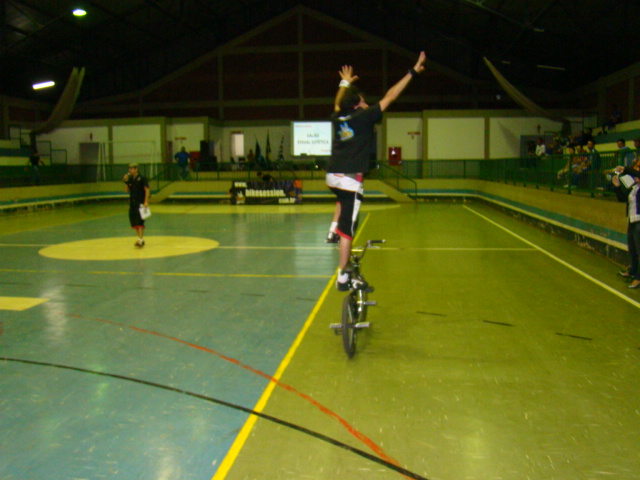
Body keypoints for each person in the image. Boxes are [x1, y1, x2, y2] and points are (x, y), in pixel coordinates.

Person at [326, 51, 427, 291]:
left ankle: (332, 230)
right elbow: (391, 95)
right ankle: (342, 276)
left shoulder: (339, 116)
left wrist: (344, 83)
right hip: (350, 179)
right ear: (357, 104)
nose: (366, 103)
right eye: (362, 101)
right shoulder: (364, 117)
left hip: (332, 176)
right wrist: (412, 72)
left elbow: (338, 102)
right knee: (348, 231)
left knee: (341, 200)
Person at [612, 165, 640, 288]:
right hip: (632, 220)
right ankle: (633, 271)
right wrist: (617, 186)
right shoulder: (634, 187)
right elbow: (622, 198)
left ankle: (639, 278)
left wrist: (625, 169)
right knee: (633, 249)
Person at [123, 163, 150, 248]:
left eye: (131, 168)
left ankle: (140, 239)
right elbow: (126, 190)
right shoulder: (131, 179)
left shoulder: (142, 178)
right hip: (132, 203)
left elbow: (147, 190)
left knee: (140, 221)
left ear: (136, 169)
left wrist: (146, 201)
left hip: (140, 202)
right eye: (129, 168)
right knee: (134, 221)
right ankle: (140, 238)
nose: (130, 170)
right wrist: (126, 181)